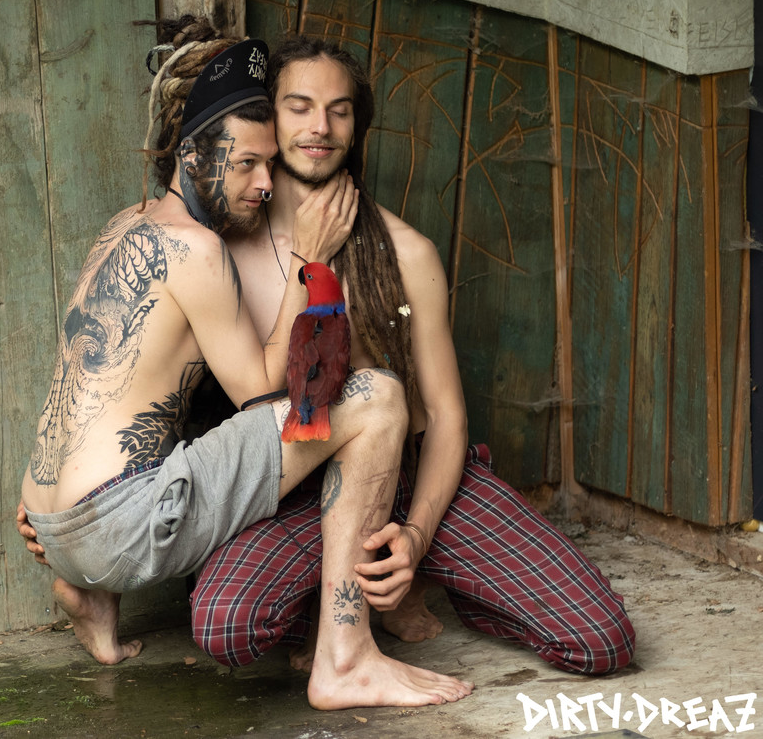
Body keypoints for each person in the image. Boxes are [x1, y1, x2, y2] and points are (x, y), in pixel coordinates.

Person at [19, 16, 473, 709]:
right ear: (192, 153)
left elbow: (90, 383)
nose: (264, 183)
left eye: (268, 164)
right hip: (120, 521)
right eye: (244, 165)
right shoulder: (200, 251)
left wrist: (58, 520)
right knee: (378, 396)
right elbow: (265, 390)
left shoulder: (124, 225)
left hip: (48, 516)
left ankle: (89, 594)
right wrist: (310, 261)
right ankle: (346, 659)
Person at [189, 33, 636, 676]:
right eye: (299, 106)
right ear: (269, 117)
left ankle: (425, 578)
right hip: (300, 491)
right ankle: (331, 604)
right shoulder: (220, 254)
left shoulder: (406, 252)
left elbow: (447, 416)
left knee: (600, 639)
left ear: (357, 126)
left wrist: (418, 537)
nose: (320, 127)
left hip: (412, 475)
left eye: (339, 110)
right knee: (224, 626)